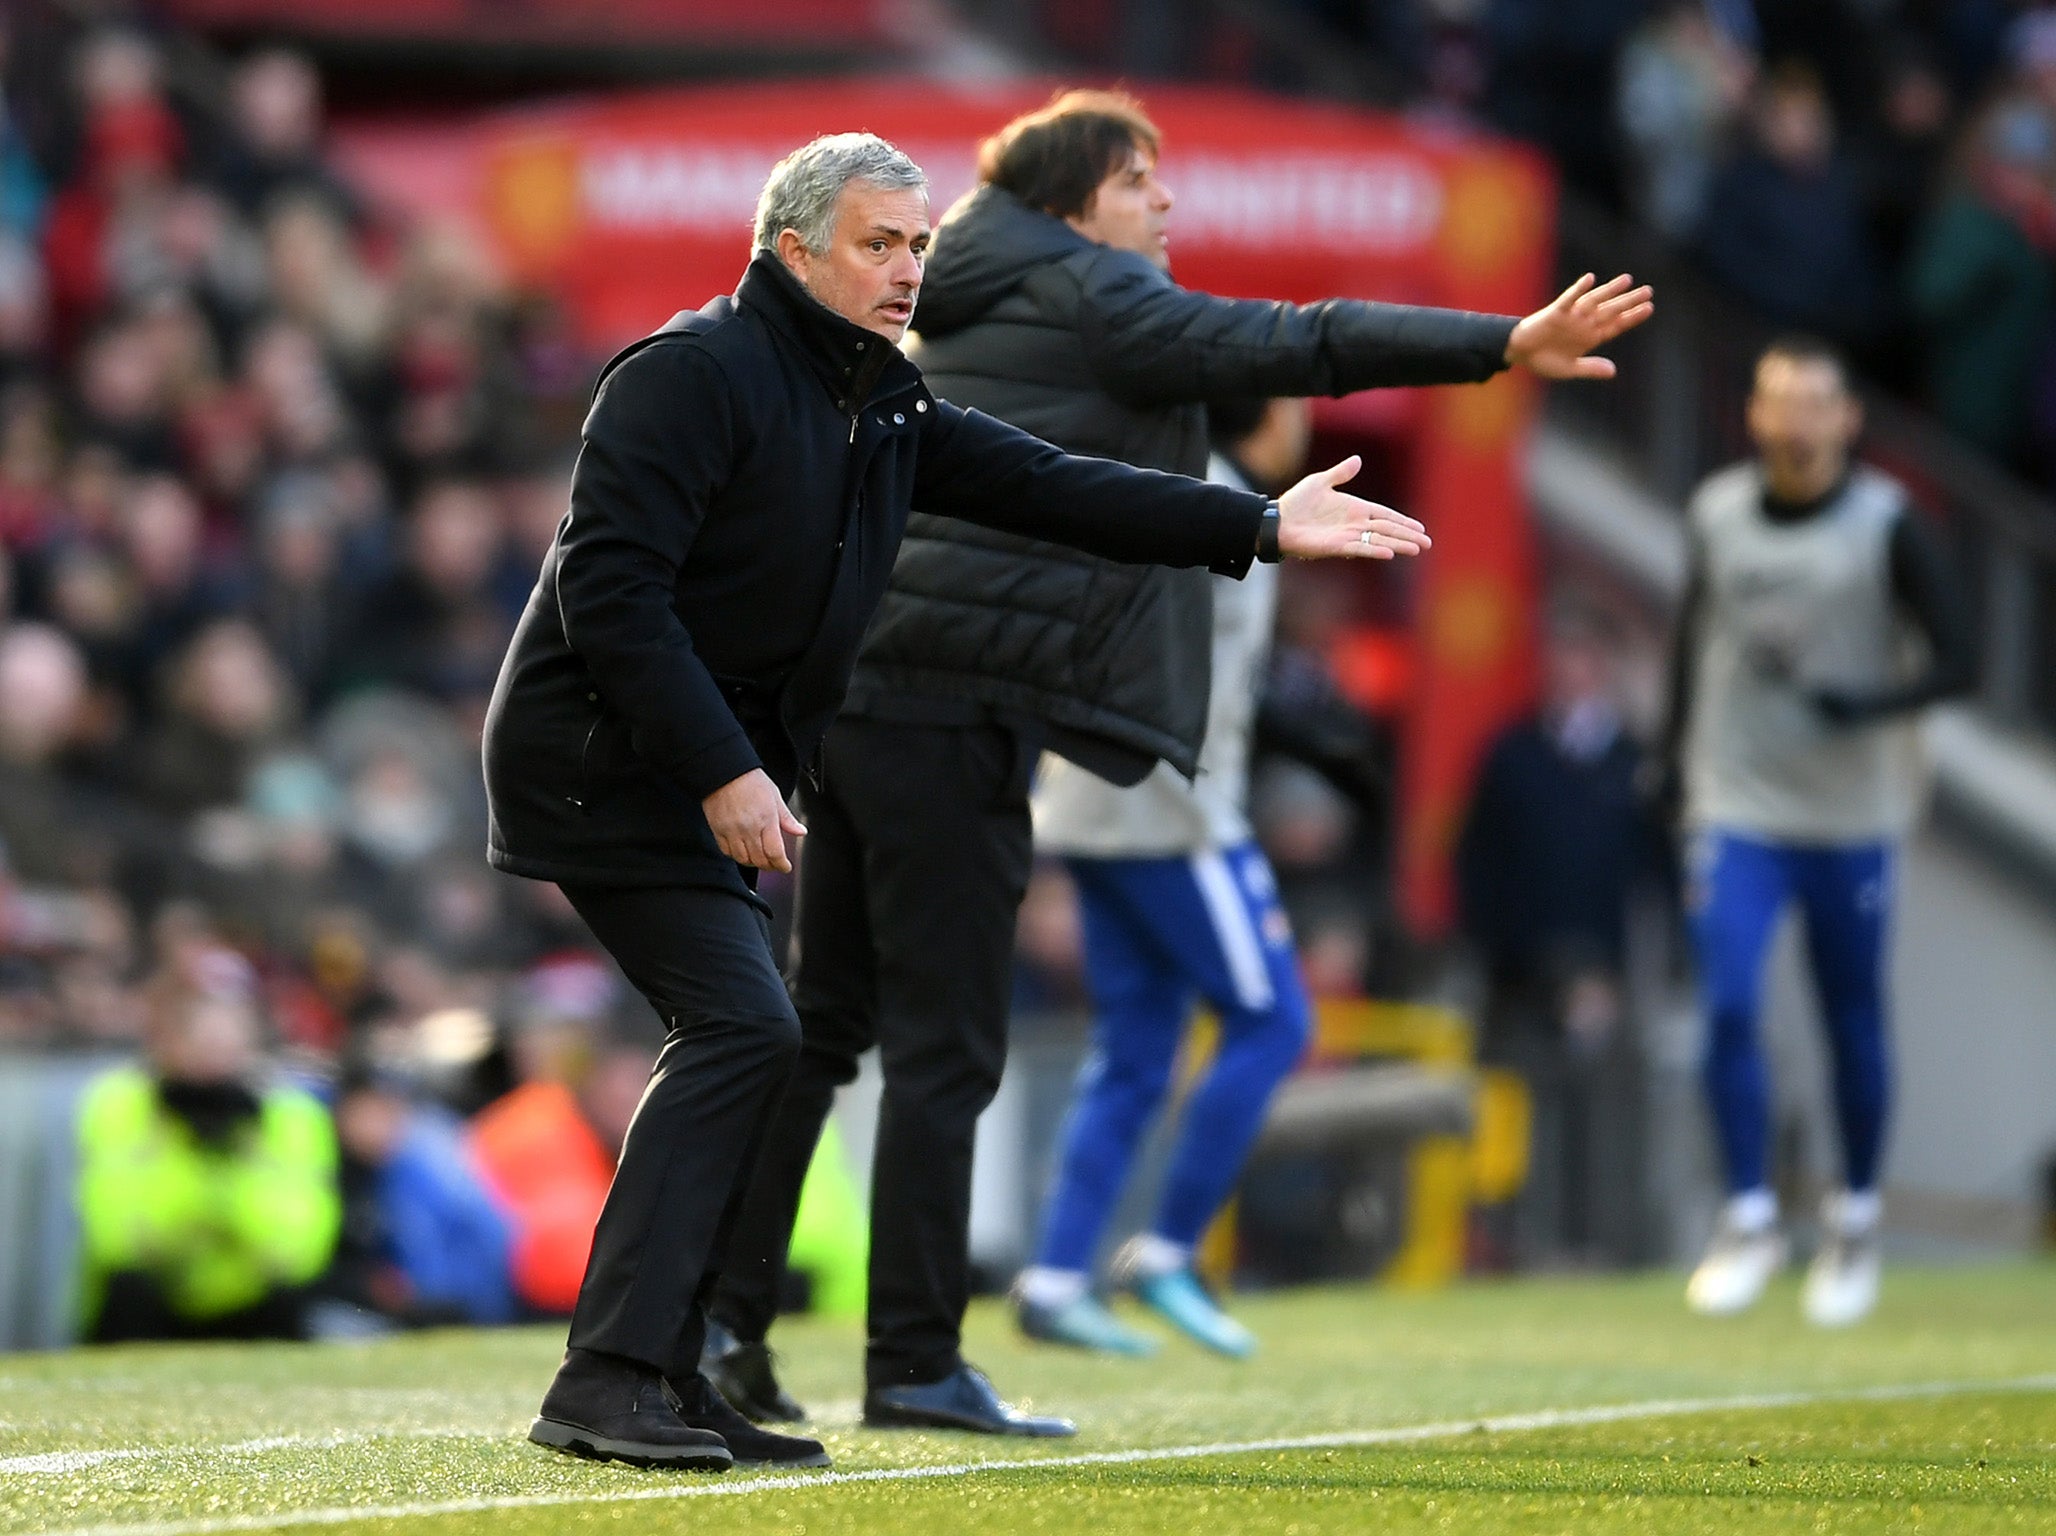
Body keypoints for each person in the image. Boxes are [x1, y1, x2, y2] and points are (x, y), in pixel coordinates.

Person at [481, 130, 1432, 1472]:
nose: (908, 269)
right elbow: (613, 599)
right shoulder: (688, 375)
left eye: (920, 244)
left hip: (684, 767)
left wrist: (1260, 528)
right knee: (750, 1030)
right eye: (880, 243)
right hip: (601, 760)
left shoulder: (878, 399)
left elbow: (1052, 488)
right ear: (790, 248)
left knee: (755, 1036)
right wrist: (725, 771)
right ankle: (619, 1373)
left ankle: (675, 1364)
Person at [709, 90, 1652, 1435]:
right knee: (948, 1048)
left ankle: (733, 1324)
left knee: (830, 1023)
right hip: (957, 705)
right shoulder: (1090, 290)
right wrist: (1505, 340)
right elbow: (1295, 341)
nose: (1167, 209)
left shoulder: (957, 292)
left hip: (860, 689)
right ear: (1080, 201)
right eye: (1144, 183)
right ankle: (913, 1361)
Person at [1660, 337, 1973, 1327]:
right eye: (1776, 402)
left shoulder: (1886, 527)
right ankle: (1749, 1214)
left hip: (1849, 814)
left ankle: (1852, 1219)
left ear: (1846, 419)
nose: (1793, 422)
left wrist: (1871, 702)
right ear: (1752, 415)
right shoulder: (1714, 513)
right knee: (1725, 1000)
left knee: (1848, 1016)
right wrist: (1668, 762)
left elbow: (1961, 661)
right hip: (1736, 803)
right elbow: (1688, 643)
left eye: (1813, 404)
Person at [1010, 396, 1313, 1360]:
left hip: (1098, 809)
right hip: (1172, 818)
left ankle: (1057, 1275)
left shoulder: (1171, 491)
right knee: (1274, 1021)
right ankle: (1170, 1249)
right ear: (1263, 418)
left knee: (1137, 1051)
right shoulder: (1212, 503)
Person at [1456, 607, 1661, 1270]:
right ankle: (1511, 1244)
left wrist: (1611, 972)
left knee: (1598, 1118)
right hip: (1517, 976)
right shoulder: (1512, 754)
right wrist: (1499, 955)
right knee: (1512, 1112)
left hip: (1605, 973)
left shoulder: (1634, 766)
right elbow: (1477, 864)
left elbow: (1654, 875)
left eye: (1582, 659)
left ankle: (1594, 1244)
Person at [74, 945, 339, 1342]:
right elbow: (119, 1238)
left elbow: (296, 1251)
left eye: (230, 1019)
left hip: (250, 1303)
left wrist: (226, 1176)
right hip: (153, 1303)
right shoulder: (120, 1102)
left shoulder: (293, 1115)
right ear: (165, 1030)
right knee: (127, 1290)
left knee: (292, 1304)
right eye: (195, 1017)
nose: (215, 1035)